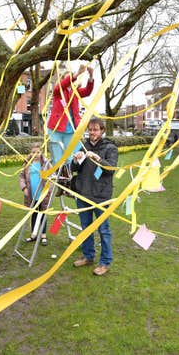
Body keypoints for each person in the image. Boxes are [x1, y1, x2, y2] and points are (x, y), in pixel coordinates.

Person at [70, 117, 118, 276]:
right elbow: (73, 168)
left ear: (102, 130)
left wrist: (98, 158)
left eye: (95, 129)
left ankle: (105, 262)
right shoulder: (83, 146)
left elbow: (111, 169)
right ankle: (88, 256)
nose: (92, 133)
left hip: (101, 195)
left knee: (104, 230)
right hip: (83, 192)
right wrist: (76, 160)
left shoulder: (110, 147)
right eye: (90, 129)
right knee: (85, 228)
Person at [46, 64, 95, 165]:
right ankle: (58, 178)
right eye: (69, 77)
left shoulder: (75, 92)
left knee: (71, 158)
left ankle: (68, 179)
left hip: (71, 130)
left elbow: (87, 92)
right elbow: (62, 85)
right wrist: (77, 73)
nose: (71, 78)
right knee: (57, 159)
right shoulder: (58, 90)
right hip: (56, 128)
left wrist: (90, 75)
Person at [19, 143, 52, 246]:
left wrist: (48, 189)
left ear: (41, 152)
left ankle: (43, 235)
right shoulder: (27, 163)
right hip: (31, 194)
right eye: (33, 152)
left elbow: (52, 176)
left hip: (43, 194)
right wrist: (24, 188)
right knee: (33, 214)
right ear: (30, 152)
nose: (36, 154)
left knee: (42, 214)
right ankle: (33, 234)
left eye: (38, 152)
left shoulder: (46, 163)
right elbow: (21, 177)